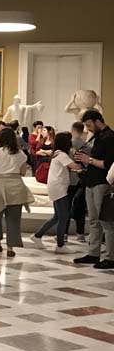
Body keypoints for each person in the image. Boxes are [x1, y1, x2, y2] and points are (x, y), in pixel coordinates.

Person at [73, 109, 114, 269]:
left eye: (89, 125)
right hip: (90, 182)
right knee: (94, 220)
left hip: (102, 183)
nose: (88, 129)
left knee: (106, 221)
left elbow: (109, 165)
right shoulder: (96, 137)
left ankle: (111, 256)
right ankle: (93, 253)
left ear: (97, 121)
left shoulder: (110, 137)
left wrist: (88, 159)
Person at [0, 127, 34, 257]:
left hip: (0, 185)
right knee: (14, 218)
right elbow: (23, 172)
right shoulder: (21, 154)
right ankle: (11, 247)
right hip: (16, 186)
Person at [32, 132, 83, 251]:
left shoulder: (56, 154)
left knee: (57, 217)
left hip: (56, 187)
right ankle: (60, 245)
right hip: (59, 188)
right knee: (64, 217)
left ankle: (37, 235)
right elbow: (76, 166)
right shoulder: (62, 155)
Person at [68, 121, 89, 241]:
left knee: (67, 205)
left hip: (71, 178)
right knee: (80, 205)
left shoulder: (70, 144)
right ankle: (80, 233)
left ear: (73, 129)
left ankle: (63, 234)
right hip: (83, 179)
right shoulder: (87, 145)